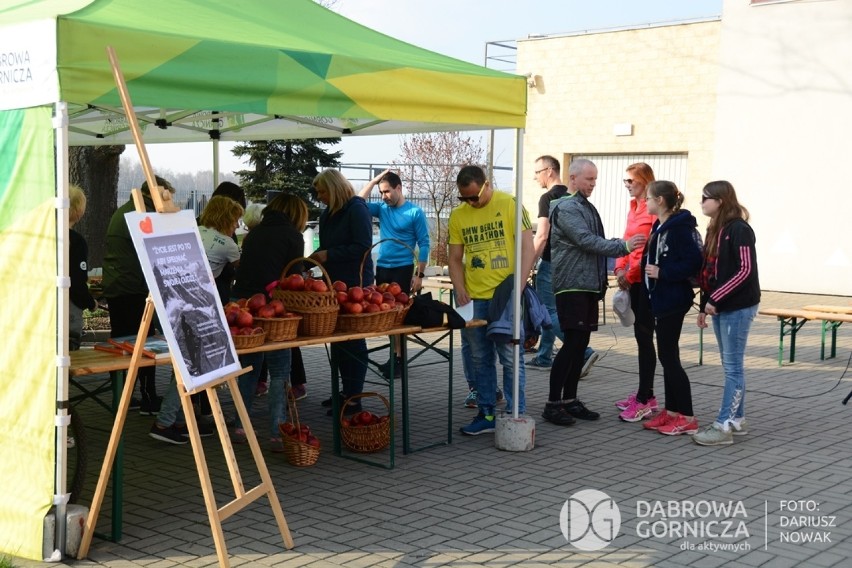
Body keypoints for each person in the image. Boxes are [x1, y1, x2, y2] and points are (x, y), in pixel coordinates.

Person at [542, 159, 646, 426]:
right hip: (572, 285)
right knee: (572, 344)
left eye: (595, 180)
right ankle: (553, 403)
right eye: (589, 179)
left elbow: (593, 241)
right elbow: (585, 240)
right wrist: (623, 246)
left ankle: (570, 399)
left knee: (580, 344)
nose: (593, 184)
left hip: (588, 285)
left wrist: (619, 248)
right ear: (573, 178)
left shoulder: (586, 206)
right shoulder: (566, 207)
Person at [448, 165, 535, 435]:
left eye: (474, 196)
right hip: (474, 299)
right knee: (479, 358)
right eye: (465, 198)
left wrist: (517, 289)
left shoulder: (510, 205)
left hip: (504, 297)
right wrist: (459, 287)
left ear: (487, 184)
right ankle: (486, 413)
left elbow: (527, 249)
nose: (470, 203)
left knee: (510, 357)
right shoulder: (458, 215)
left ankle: (514, 412)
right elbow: (453, 258)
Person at [692, 181, 760, 446]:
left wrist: (717, 299)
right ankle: (738, 419)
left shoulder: (740, 230)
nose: (701, 203)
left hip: (738, 308)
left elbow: (745, 270)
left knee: (733, 368)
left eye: (705, 198)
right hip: (721, 307)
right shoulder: (715, 229)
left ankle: (724, 425)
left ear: (720, 200)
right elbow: (709, 273)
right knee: (730, 366)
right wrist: (704, 306)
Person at [635, 181, 703, 434]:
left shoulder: (679, 229)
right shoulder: (660, 225)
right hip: (660, 299)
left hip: (673, 300)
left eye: (649, 199)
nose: (646, 203)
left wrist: (663, 272)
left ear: (661, 201)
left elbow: (693, 261)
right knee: (666, 357)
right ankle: (672, 411)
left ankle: (687, 416)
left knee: (670, 358)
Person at [102, 176, 174, 416]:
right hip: (131, 288)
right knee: (141, 344)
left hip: (118, 285)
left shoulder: (125, 210)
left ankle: (121, 396)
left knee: (121, 342)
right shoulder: (141, 214)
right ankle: (147, 397)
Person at [527, 155, 599, 377]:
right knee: (555, 310)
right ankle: (545, 355)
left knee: (547, 311)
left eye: (537, 172)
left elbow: (542, 235)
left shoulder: (548, 198)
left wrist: (529, 264)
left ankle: (583, 351)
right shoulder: (573, 197)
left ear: (549, 171)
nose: (535, 177)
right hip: (572, 266)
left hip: (551, 263)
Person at [310, 170, 374, 416]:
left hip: (355, 284)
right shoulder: (327, 214)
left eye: (322, 191)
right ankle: (344, 391)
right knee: (337, 337)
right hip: (333, 282)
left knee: (354, 339)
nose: (319, 196)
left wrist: (330, 255)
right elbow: (325, 246)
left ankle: (354, 397)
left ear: (334, 189)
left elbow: (363, 246)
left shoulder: (357, 209)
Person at [359, 168, 431, 378]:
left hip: (403, 267)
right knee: (385, 314)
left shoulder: (414, 212)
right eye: (382, 192)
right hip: (383, 267)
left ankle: (399, 359)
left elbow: (424, 243)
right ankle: (394, 357)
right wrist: (374, 181)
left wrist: (419, 275)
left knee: (399, 314)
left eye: (388, 191)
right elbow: (358, 202)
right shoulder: (382, 209)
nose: (384, 196)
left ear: (399, 188)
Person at [613, 163, 658, 419]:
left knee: (645, 336)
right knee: (641, 338)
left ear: (644, 181)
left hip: (644, 280)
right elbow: (626, 242)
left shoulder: (652, 210)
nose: (628, 185)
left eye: (631, 181)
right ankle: (645, 393)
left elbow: (649, 248)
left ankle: (645, 397)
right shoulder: (633, 208)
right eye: (625, 181)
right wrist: (619, 269)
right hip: (631, 277)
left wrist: (629, 274)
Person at [68, 185, 97, 351]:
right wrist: (90, 302)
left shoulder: (42, 236)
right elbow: (77, 282)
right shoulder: (76, 242)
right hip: (68, 312)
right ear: (79, 211)